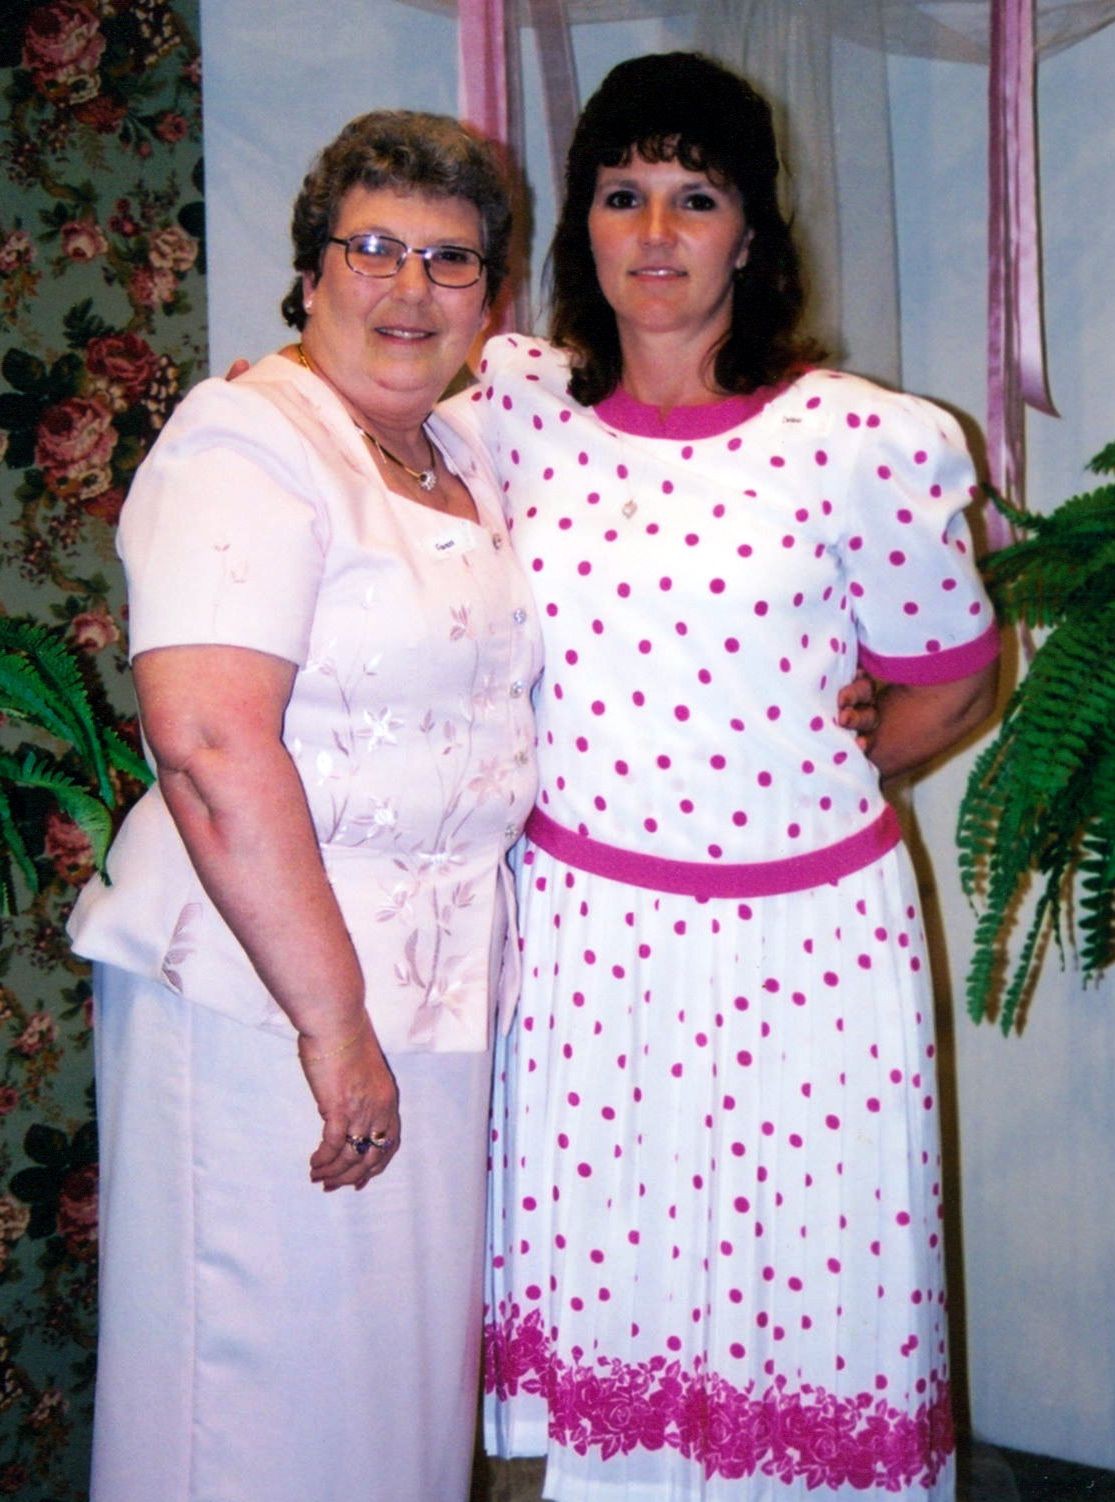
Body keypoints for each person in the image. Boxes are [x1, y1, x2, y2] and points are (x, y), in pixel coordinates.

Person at [441, 52, 999, 1501]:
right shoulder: (519, 412)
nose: (655, 232)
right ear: (581, 222)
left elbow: (956, 674)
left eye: (696, 198)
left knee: (804, 1300)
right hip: (589, 943)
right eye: (620, 194)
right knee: (621, 1314)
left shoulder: (862, 441)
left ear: (752, 230)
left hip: (806, 947)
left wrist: (819, 766)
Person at [67, 111, 542, 1502]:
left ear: (492, 293)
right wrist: (333, 1026)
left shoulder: (465, 446)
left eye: (451, 260)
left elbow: (617, 385)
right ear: (311, 268)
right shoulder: (246, 440)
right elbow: (209, 743)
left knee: (387, 1402)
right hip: (265, 998)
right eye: (373, 248)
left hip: (434, 996)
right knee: (257, 1402)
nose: (411, 289)